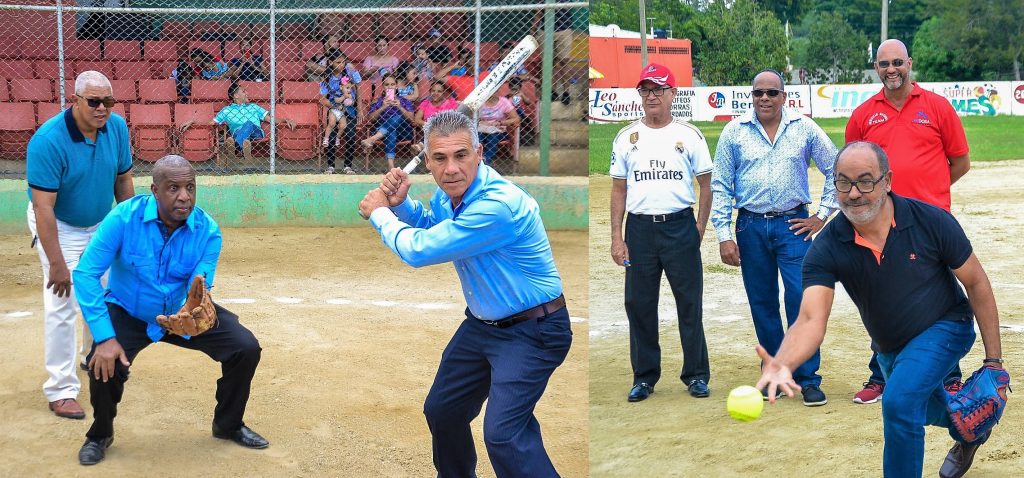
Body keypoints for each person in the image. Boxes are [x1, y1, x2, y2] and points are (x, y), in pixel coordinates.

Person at [755, 141, 1005, 478]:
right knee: (919, 405)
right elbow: (811, 317)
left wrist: (993, 361)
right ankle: (970, 426)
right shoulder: (827, 247)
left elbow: (976, 284)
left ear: (887, 181)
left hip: (947, 325)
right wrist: (783, 362)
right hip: (890, 347)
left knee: (899, 403)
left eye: (865, 181)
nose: (854, 193)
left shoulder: (930, 220)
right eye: (843, 181)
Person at [358, 110, 572, 478]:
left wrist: (380, 214)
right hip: (482, 327)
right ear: (427, 161)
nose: (451, 168)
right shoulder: (450, 196)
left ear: (479, 153)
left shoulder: (497, 205)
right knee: (443, 410)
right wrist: (402, 206)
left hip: (534, 330)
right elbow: (434, 226)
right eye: (440, 158)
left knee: (505, 435)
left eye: (461, 155)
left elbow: (421, 249)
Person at [72, 155, 269, 465]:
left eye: (190, 187)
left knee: (244, 348)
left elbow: (199, 285)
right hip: (129, 311)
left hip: (181, 314)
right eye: (173, 188)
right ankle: (100, 434)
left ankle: (228, 424)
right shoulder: (124, 218)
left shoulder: (208, 230)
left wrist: (191, 310)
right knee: (104, 361)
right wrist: (105, 335)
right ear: (155, 190)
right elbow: (85, 274)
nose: (184, 197)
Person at [845, 38, 972, 405]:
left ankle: (948, 376)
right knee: (882, 297)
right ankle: (881, 374)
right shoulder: (865, 114)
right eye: (884, 64)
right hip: (882, 223)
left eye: (897, 62)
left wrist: (930, 193)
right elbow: (853, 168)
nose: (891, 70)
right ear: (876, 68)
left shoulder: (936, 107)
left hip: (932, 224)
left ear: (909, 63)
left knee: (941, 297)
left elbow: (960, 162)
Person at [710, 70, 838, 406]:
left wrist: (821, 216)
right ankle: (776, 370)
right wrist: (724, 234)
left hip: (793, 225)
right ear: (751, 96)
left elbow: (836, 168)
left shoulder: (804, 128)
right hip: (750, 227)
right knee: (762, 302)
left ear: (784, 96)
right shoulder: (734, 132)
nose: (764, 98)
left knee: (802, 301)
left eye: (771, 92)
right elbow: (721, 185)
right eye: (758, 93)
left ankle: (808, 377)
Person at [26, 70, 135, 420]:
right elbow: (44, 207)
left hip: (101, 223)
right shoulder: (48, 140)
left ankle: (95, 357)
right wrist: (57, 263)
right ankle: (60, 389)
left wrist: (129, 234)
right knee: (63, 302)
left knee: (104, 291)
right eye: (94, 101)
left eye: (108, 101)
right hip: (59, 224)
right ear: (75, 100)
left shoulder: (116, 128)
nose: (102, 108)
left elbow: (123, 180)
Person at [609, 63, 713, 402]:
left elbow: (706, 185)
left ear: (673, 94)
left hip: (680, 226)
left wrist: (699, 226)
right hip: (639, 230)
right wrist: (617, 237)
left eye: (658, 89)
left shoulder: (689, 134)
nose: (651, 95)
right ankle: (644, 376)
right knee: (639, 304)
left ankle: (696, 375)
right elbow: (618, 190)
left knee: (689, 303)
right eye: (646, 90)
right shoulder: (626, 137)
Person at [181, 84, 295, 163]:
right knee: (240, 135)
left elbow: (271, 119)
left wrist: (286, 120)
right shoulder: (226, 110)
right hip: (237, 133)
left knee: (248, 124)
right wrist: (193, 121)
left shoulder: (253, 107)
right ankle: (244, 149)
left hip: (256, 133)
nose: (247, 93)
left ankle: (234, 148)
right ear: (235, 96)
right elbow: (211, 124)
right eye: (244, 91)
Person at [362, 74, 415, 171]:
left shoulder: (404, 101)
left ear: (396, 86)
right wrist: (383, 107)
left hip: (403, 132)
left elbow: (412, 119)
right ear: (383, 86)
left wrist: (399, 107)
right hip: (383, 133)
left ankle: (372, 139)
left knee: (397, 117)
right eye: (387, 85)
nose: (390, 87)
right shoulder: (378, 102)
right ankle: (391, 166)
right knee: (391, 131)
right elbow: (370, 119)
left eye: (392, 84)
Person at [475, 92, 520, 167]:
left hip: (498, 130)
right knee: (477, 137)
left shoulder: (504, 102)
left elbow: (516, 119)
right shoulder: (479, 102)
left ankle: (486, 160)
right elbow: (471, 118)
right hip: (482, 129)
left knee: (493, 138)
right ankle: (476, 158)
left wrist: (500, 122)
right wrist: (480, 121)